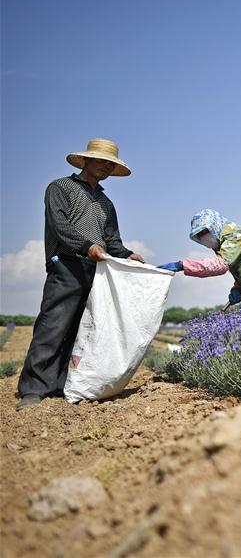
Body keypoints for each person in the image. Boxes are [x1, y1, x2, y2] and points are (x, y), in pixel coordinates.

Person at [16, 138, 145, 410]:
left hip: (95, 270)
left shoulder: (106, 203)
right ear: (85, 160)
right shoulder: (60, 188)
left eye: (110, 164)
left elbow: (112, 241)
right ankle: (33, 389)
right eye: (101, 160)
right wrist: (87, 246)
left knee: (79, 330)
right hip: (66, 265)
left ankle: (62, 385)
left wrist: (126, 254)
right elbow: (59, 225)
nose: (106, 167)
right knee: (52, 326)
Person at [157, 209, 241, 311]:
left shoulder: (234, 235)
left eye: (205, 232)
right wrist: (238, 289)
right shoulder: (221, 244)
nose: (203, 237)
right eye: (199, 235)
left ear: (214, 226)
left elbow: (220, 265)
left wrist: (182, 265)